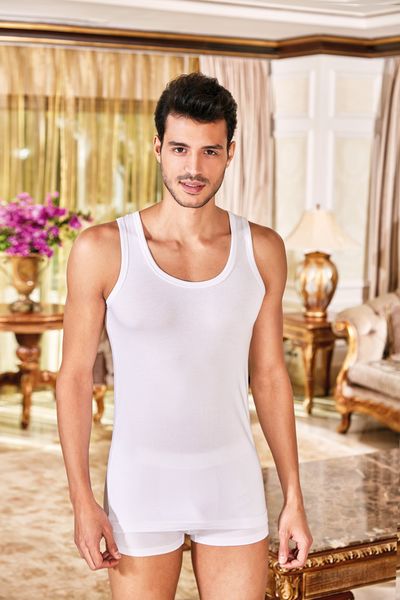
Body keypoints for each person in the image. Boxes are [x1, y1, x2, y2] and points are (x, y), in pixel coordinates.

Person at [56, 72, 313, 600]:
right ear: (158, 148)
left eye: (209, 151)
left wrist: (293, 496)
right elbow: (75, 378)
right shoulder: (102, 249)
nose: (193, 168)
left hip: (232, 483)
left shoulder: (262, 250)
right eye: (179, 149)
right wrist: (82, 499)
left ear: (230, 153)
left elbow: (268, 376)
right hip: (140, 488)